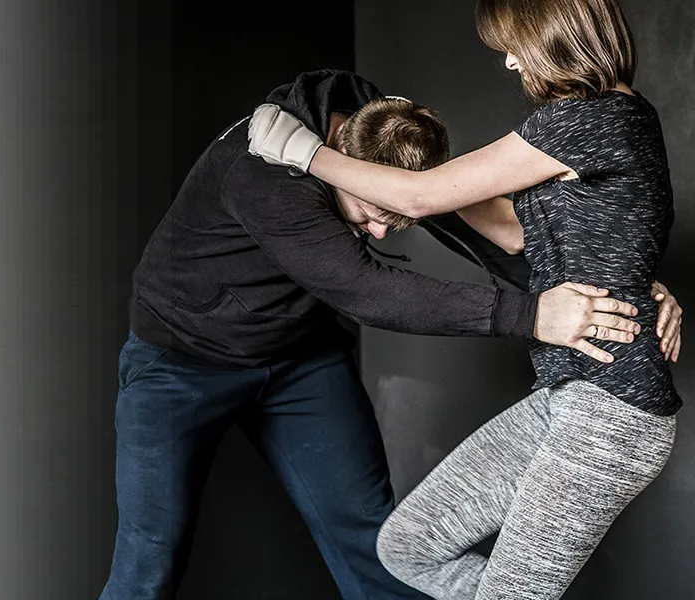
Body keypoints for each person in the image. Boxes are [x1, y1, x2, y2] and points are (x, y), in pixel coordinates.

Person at [100, 69, 677, 600]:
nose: (378, 229)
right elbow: (367, 289)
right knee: (150, 553)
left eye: (393, 216)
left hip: (299, 358)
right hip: (183, 359)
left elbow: (482, 230)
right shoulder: (260, 171)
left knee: (375, 543)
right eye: (369, 213)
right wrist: (532, 316)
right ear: (337, 160)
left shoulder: (382, 133)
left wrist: (612, 287)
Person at [246, 2, 684, 599]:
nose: (508, 61)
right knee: (407, 546)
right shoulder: (613, 120)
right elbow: (514, 233)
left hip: (611, 413)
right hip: (567, 397)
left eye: (512, 44)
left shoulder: (588, 119)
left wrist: (311, 155)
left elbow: (424, 198)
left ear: (555, 36)